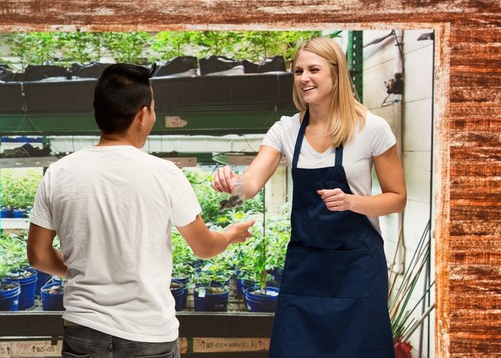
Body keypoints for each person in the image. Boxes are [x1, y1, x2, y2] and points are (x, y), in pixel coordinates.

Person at [27, 63, 254, 358]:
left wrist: (86, 270)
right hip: (148, 335)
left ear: (97, 112)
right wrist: (229, 235)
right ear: (142, 115)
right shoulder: (164, 173)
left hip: (84, 331)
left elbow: (38, 256)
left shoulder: (59, 173)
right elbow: (204, 247)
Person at [212, 37, 406, 357]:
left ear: (335, 74)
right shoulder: (285, 130)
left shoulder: (372, 128)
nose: (304, 78)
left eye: (313, 69)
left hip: (358, 268)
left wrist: (351, 202)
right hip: (306, 270)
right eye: (298, 70)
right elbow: (251, 183)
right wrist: (231, 183)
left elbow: (397, 197)